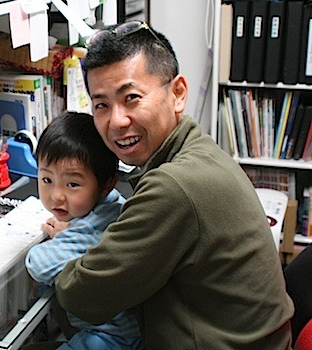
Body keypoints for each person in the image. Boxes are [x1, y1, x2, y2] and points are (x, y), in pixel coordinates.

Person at [52, 21, 294, 348]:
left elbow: (81, 296)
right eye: (101, 105)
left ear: (177, 93)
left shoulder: (175, 186)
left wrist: (68, 245)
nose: (117, 121)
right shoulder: (199, 148)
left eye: (132, 98)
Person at [24, 112, 143, 350]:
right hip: (132, 332)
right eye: (47, 180)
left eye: (72, 184)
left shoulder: (90, 227)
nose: (56, 196)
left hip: (111, 340)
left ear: (106, 182)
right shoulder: (113, 205)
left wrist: (62, 240)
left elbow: (36, 263)